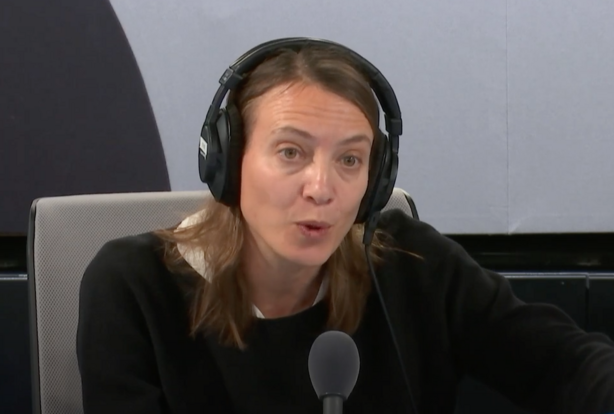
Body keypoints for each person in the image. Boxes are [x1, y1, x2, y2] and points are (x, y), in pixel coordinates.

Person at [76, 38, 614, 414]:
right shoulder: (135, 285)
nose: (321, 187)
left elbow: (564, 366)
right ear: (228, 161)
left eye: (350, 160)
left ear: (374, 182)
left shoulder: (412, 263)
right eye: (291, 152)